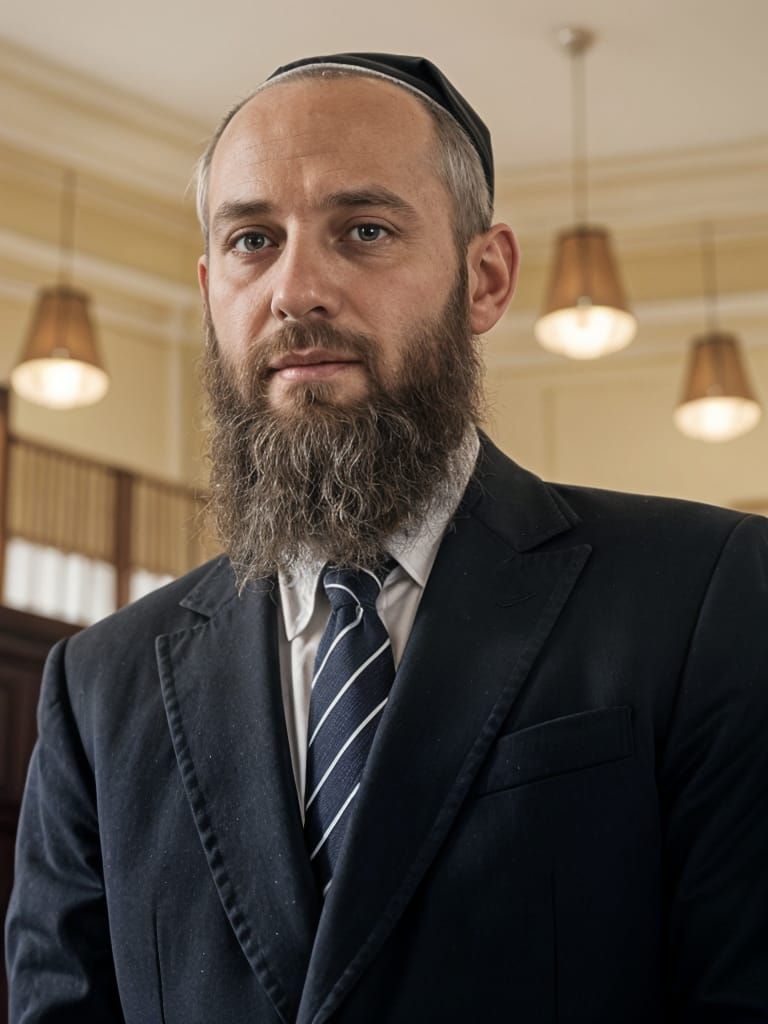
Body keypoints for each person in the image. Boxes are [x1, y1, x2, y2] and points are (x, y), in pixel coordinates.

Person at [5, 52, 768, 1024]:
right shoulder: (99, 686)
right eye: (251, 239)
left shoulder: (705, 595)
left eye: (363, 231)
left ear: (485, 278)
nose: (295, 289)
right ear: (209, 289)